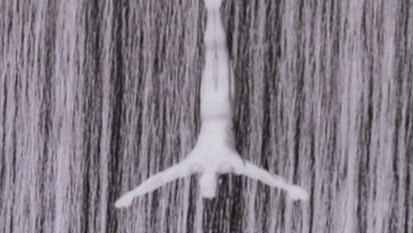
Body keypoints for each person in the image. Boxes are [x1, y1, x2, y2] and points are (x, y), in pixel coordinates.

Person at [117, 0, 306, 210]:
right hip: (224, 106)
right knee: (221, 54)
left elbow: (161, 178)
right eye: (212, 188)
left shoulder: (194, 163)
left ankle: (211, 9)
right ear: (217, 183)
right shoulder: (231, 164)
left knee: (210, 55)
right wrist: (289, 188)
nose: (208, 186)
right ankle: (215, 9)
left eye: (205, 188)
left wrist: (133, 194)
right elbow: (263, 176)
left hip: (207, 107)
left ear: (199, 183)